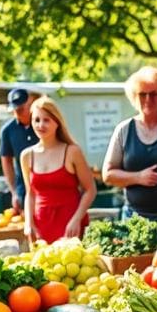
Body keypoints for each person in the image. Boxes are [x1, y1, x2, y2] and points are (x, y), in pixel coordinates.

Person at [102, 66, 157, 222]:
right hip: (133, 218)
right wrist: (138, 177)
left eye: (154, 94)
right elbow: (108, 175)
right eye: (142, 94)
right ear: (134, 97)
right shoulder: (123, 130)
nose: (148, 100)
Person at [20, 96, 96, 243]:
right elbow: (30, 193)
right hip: (40, 225)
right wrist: (28, 223)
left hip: (70, 224)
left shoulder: (72, 151)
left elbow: (90, 189)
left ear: (57, 122)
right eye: (36, 120)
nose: (41, 125)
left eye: (46, 120)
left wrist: (76, 220)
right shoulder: (27, 156)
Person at [0, 88, 38, 215]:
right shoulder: (8, 130)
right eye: (15, 110)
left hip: (48, 185)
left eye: (21, 109)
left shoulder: (42, 124)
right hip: (24, 187)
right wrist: (14, 192)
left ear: (30, 102)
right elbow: (6, 162)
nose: (18, 113)